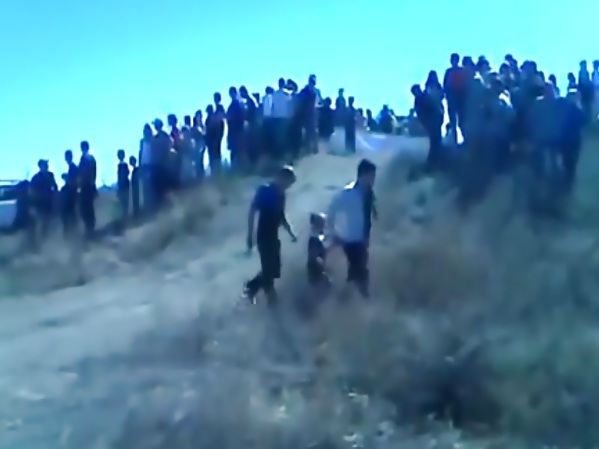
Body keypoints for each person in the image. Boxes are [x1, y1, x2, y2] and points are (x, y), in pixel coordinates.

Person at [244, 166, 298, 306]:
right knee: (268, 272)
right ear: (281, 178)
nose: (288, 186)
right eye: (288, 182)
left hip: (274, 236)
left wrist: (291, 232)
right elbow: (252, 212)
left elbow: (281, 216)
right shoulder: (265, 191)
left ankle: (251, 287)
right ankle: (272, 304)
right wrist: (250, 235)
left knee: (274, 270)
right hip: (264, 236)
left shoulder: (281, 195)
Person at [326, 158, 377, 298]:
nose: (373, 179)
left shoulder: (368, 193)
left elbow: (369, 214)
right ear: (363, 174)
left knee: (356, 273)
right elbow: (331, 212)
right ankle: (358, 300)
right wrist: (333, 233)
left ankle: (346, 299)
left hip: (362, 240)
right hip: (351, 240)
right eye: (371, 176)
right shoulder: (348, 193)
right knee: (360, 273)